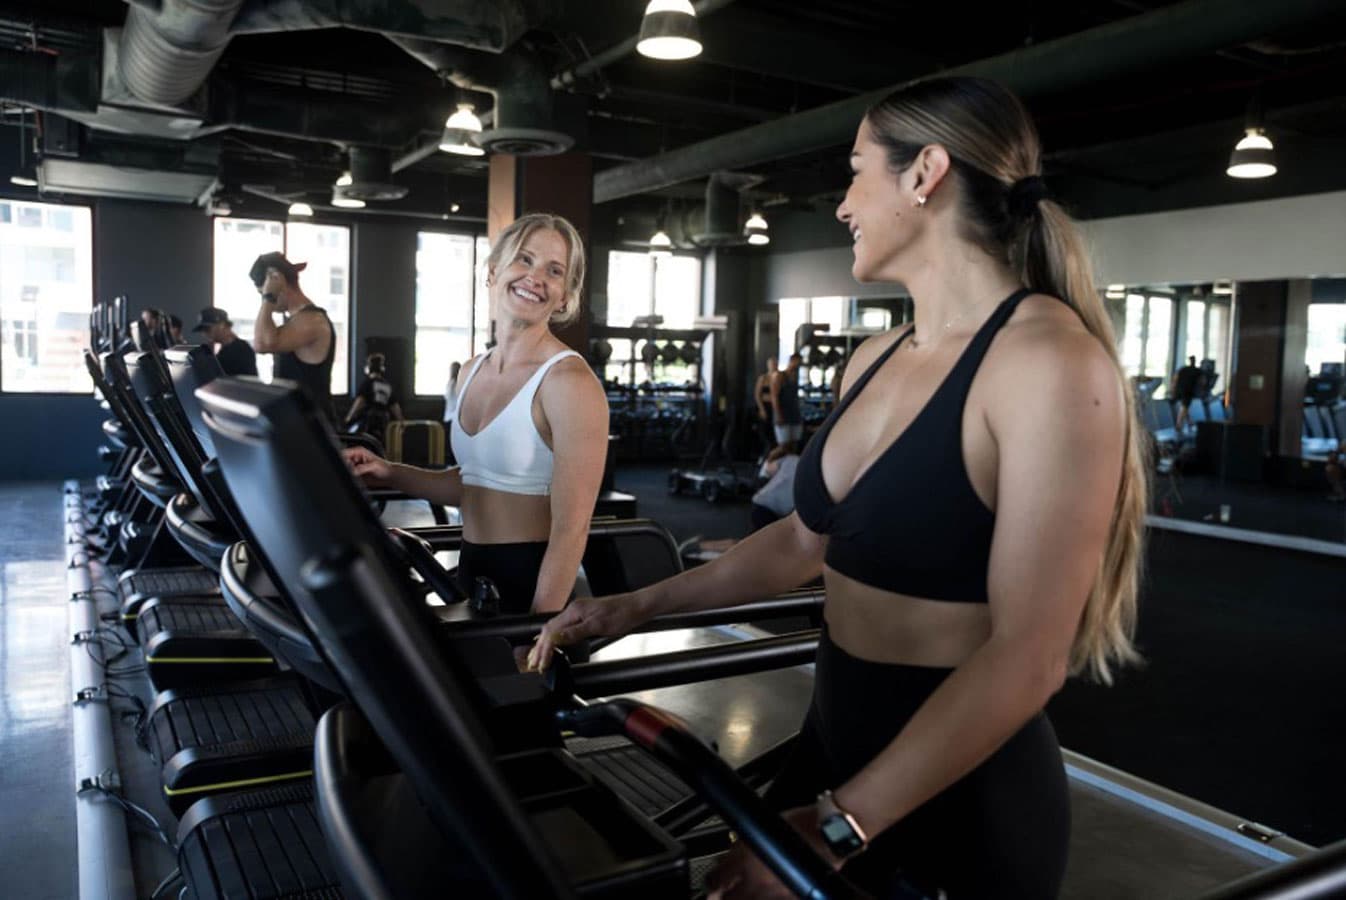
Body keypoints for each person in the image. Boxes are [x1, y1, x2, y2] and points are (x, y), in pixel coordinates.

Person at [531, 76, 1147, 900]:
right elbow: (800, 540)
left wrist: (840, 825)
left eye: (857, 171)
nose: (843, 203)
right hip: (832, 743)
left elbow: (1029, 657)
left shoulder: (1048, 364)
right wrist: (633, 607)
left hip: (955, 793)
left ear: (925, 172)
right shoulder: (878, 357)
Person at [344, 213, 608, 616]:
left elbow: (572, 529)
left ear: (565, 296)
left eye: (554, 271)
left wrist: (538, 632)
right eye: (524, 259)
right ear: (493, 271)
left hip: (535, 586)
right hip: (473, 573)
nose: (535, 277)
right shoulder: (472, 371)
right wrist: (390, 471)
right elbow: (473, 485)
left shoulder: (569, 382)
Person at [248, 251, 336, 423]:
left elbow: (262, 344)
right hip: (298, 426)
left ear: (278, 283)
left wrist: (268, 296)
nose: (264, 298)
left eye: (262, 292)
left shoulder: (312, 320)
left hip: (313, 433)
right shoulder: (297, 320)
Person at [345, 352, 404, 442]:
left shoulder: (368, 383)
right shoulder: (387, 385)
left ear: (369, 367)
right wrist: (401, 422)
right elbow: (395, 407)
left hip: (369, 422)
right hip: (384, 422)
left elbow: (360, 402)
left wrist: (349, 418)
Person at [192, 307, 258, 377]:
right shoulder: (226, 349)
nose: (204, 334)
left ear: (222, 325)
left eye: (207, 329)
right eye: (202, 330)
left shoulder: (239, 349)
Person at [767, 352, 803, 462]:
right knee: (783, 447)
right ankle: (765, 468)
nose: (798, 365)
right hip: (783, 416)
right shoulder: (780, 376)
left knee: (793, 447)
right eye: (797, 362)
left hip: (794, 415)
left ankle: (785, 472)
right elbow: (774, 397)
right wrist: (778, 415)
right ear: (792, 361)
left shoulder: (795, 377)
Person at [753, 357, 779, 456]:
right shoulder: (763, 378)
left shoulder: (779, 377)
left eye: (775, 364)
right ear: (768, 366)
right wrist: (762, 409)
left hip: (775, 407)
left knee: (774, 432)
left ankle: (773, 454)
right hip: (765, 407)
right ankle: (763, 454)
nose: (773, 366)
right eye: (771, 364)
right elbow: (757, 395)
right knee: (764, 431)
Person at [1173, 355, 1201, 431]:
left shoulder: (1183, 369)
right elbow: (1202, 382)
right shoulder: (1197, 370)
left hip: (1181, 390)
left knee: (1185, 406)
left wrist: (1174, 389)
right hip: (1188, 391)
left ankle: (1189, 421)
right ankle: (1179, 424)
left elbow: (1175, 378)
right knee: (1184, 406)